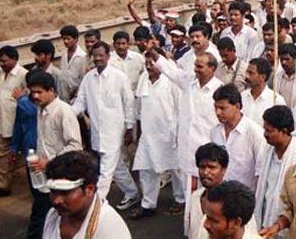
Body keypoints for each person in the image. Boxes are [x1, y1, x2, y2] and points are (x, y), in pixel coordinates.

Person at [148, 44, 223, 209]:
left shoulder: (220, 90)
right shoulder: (189, 82)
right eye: (195, 65)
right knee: (190, 197)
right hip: (187, 151)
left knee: (208, 197)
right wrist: (153, 52)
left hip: (208, 155)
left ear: (212, 68)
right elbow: (169, 70)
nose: (195, 69)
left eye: (199, 66)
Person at [72, 42, 139, 208]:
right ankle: (132, 193)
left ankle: (95, 205)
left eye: (101, 55)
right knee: (117, 167)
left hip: (115, 131)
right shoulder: (89, 78)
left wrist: (129, 128)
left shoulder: (119, 77)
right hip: (97, 132)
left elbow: (129, 103)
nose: (98, 59)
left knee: (105, 171)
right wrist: (65, 114)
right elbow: (80, 102)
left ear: (108, 56)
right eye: (95, 56)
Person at [25, 70, 83, 238]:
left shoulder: (63, 111)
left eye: (39, 92)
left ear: (51, 91)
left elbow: (75, 145)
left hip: (60, 174)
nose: (35, 96)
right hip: (43, 175)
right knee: (44, 216)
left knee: (48, 216)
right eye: (32, 92)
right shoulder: (40, 109)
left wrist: (49, 161)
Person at [131, 56, 184, 219]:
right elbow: (139, 109)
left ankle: (181, 199)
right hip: (148, 133)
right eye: (147, 63)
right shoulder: (143, 79)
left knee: (176, 169)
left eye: (152, 62)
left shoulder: (171, 81)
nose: (149, 66)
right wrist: (139, 133)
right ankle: (148, 205)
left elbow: (180, 107)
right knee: (146, 169)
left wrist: (179, 133)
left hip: (169, 133)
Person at [42, 151, 131, 239]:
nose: (56, 201)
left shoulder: (111, 228)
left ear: (89, 189)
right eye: (53, 192)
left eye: (65, 193)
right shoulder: (53, 216)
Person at [254, 106, 296, 236]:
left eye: (269, 130)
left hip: (287, 226)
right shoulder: (268, 151)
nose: (265, 134)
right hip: (266, 220)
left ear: (284, 131)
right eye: (265, 129)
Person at [210, 84, 266, 191]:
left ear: (237, 106)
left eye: (222, 108)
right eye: (216, 108)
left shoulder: (254, 133)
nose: (218, 112)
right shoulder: (215, 131)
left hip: (244, 198)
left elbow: (261, 171)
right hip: (220, 195)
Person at [0, 45, 28, 196]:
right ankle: (2, 184)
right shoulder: (3, 74)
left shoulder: (23, 75)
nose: (2, 64)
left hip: (17, 123)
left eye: (5, 61)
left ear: (14, 59)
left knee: (18, 152)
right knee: (0, 152)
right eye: (0, 61)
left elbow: (30, 100)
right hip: (2, 122)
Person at [187, 143, 229, 239]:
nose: (206, 172)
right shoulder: (195, 198)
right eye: (202, 167)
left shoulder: (235, 202)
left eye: (212, 167)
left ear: (224, 169)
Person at [241, 58, 285, 125]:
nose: (246, 76)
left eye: (251, 73)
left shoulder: (276, 100)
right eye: (247, 72)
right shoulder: (242, 96)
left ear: (263, 77)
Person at [59, 25, 88, 103]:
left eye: (68, 39)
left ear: (76, 39)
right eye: (64, 39)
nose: (65, 41)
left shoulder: (82, 56)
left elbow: (83, 78)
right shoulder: (64, 53)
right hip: (64, 92)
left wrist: (75, 92)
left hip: (76, 95)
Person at [272, 44, 296, 108]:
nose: (283, 62)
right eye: (281, 59)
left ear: (295, 58)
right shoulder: (277, 77)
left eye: (287, 59)